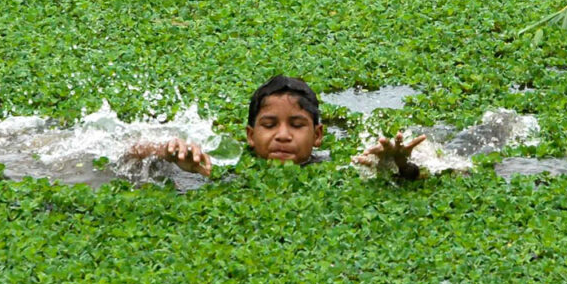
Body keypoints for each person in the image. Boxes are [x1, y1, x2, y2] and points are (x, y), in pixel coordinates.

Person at [128, 76, 427, 180]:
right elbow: (128, 155)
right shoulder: (223, 166)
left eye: (297, 125)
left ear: (318, 136)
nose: (283, 135)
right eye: (269, 125)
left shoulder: (342, 169)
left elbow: (413, 179)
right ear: (249, 136)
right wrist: (165, 151)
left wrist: (398, 164)